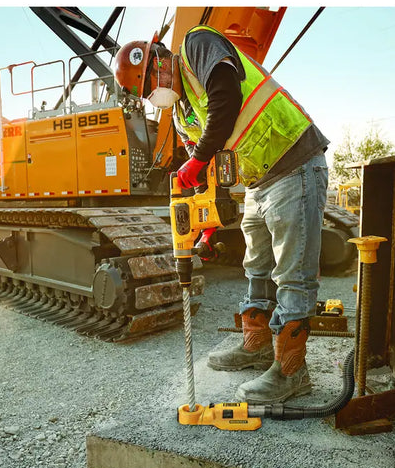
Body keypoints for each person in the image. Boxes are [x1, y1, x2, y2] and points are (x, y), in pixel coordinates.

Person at [113, 25, 329, 404]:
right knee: (257, 267)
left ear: (159, 61)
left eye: (150, 84)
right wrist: (208, 223)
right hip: (259, 181)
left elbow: (226, 97)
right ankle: (257, 345)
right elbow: (209, 174)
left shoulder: (197, 45)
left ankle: (293, 373)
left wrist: (195, 162)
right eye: (146, 94)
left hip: (294, 159)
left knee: (292, 274)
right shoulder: (182, 116)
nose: (154, 93)